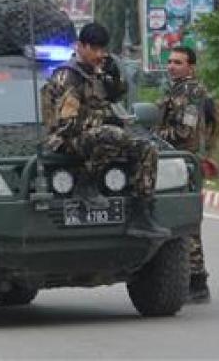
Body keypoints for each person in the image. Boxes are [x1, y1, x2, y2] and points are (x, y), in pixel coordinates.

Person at [40, 23, 169, 240]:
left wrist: (113, 75)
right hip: (66, 140)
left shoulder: (96, 73)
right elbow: (67, 125)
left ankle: (141, 214)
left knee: (146, 148)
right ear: (81, 46)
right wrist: (105, 120)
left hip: (96, 137)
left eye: (103, 49)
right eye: (95, 49)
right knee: (112, 134)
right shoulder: (68, 77)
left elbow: (115, 96)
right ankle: (86, 184)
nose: (100, 55)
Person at [154, 45, 214, 303]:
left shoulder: (192, 92)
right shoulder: (175, 89)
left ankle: (197, 281)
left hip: (183, 164)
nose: (172, 66)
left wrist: (152, 136)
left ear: (191, 67)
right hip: (171, 162)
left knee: (185, 222)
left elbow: (184, 132)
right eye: (170, 62)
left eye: (178, 62)